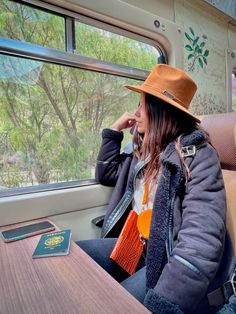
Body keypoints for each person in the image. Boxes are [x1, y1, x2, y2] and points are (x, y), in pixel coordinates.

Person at [77, 64, 235, 314]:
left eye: (141, 106)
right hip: (138, 246)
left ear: (159, 110)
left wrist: (163, 306)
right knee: (76, 258)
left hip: (166, 257)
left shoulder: (197, 157)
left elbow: (200, 243)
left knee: (111, 305)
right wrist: (114, 132)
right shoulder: (145, 150)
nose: (136, 113)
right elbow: (107, 174)